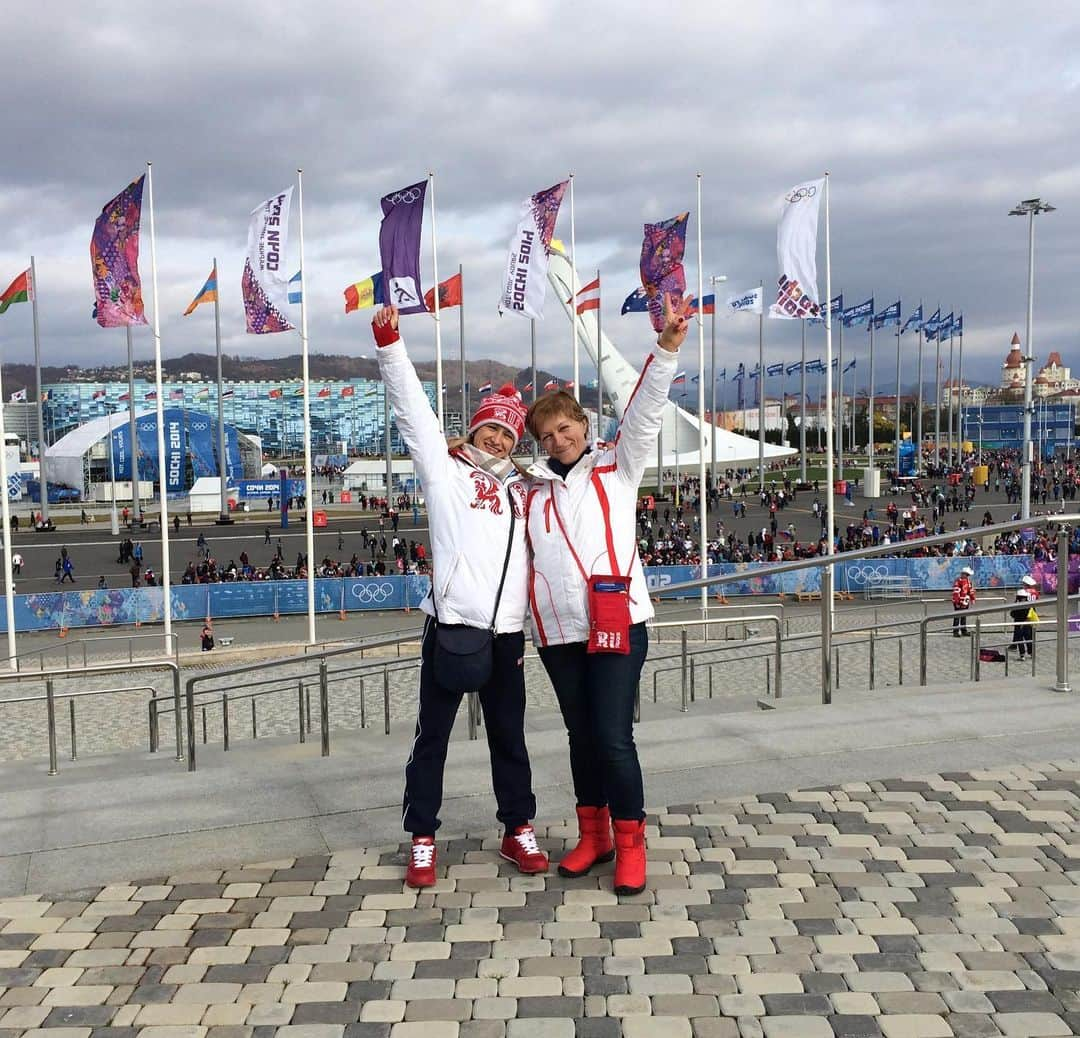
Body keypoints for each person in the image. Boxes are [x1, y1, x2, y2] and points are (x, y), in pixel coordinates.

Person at [372, 303, 545, 889]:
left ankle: (517, 827)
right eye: (489, 428)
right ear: (474, 429)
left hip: (507, 632)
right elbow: (413, 413)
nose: (496, 437)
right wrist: (390, 343)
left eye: (506, 432)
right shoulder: (445, 473)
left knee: (509, 736)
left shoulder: (526, 490)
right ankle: (422, 836)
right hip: (453, 624)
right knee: (434, 737)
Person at [523, 291, 688, 897]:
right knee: (580, 736)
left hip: (616, 621)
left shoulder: (615, 468)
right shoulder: (532, 493)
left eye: (564, 428)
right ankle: (594, 835)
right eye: (545, 434)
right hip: (559, 632)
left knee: (614, 735)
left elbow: (645, 412)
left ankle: (632, 841)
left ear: (584, 425)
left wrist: (666, 347)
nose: (557, 439)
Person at [1010, 574, 1039, 659]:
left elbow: (1013, 612)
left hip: (1021, 617)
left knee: (1019, 635)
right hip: (1030, 613)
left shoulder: (1024, 593)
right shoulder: (1034, 592)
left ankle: (1020, 652)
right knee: (1028, 635)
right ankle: (1031, 652)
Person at [952, 565, 975, 636]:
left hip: (965, 602)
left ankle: (963, 630)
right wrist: (957, 601)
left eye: (968, 575)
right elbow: (956, 592)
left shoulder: (968, 582)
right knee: (957, 617)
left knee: (964, 616)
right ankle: (955, 631)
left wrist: (972, 598)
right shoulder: (958, 581)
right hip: (959, 602)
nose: (967, 576)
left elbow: (970, 591)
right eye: (966, 574)